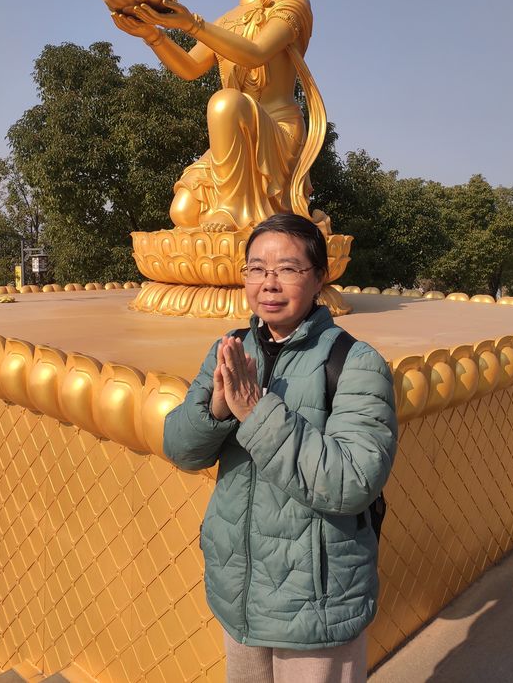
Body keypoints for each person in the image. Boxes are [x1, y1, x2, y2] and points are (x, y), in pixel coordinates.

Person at [163, 213, 398, 683]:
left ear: (319, 277)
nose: (269, 283)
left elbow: (351, 483)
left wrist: (255, 411)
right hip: (241, 588)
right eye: (256, 268)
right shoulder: (229, 348)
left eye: (288, 269)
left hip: (316, 600)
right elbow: (181, 451)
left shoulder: (355, 363)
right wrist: (216, 410)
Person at [105, 0, 330, 234]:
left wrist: (191, 24)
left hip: (277, 130)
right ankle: (230, 216)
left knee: (225, 102)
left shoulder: (291, 3)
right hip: (233, 138)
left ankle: (235, 211)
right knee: (183, 213)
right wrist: (153, 35)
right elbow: (191, 69)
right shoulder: (224, 21)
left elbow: (256, 53)